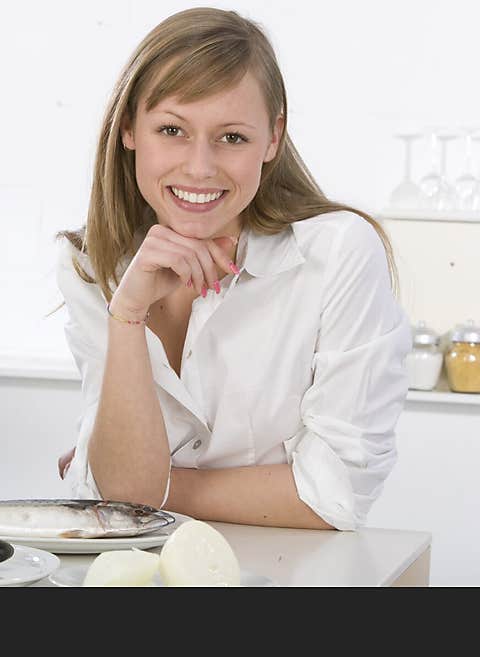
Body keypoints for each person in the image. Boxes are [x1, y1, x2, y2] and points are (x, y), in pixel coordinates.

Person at [55, 7, 411, 531]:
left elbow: (334, 494)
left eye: (232, 137)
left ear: (272, 138)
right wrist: (127, 315)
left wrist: (153, 485)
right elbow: (117, 490)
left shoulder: (336, 253)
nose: (199, 167)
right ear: (129, 127)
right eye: (172, 129)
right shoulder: (91, 265)